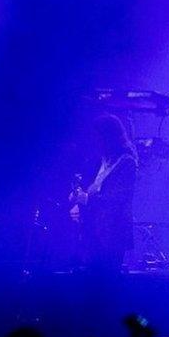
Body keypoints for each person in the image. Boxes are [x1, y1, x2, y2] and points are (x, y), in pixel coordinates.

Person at [70, 113, 138, 273]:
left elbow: (115, 199)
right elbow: (91, 188)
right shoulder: (101, 161)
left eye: (98, 137)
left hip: (112, 234)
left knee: (106, 282)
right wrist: (78, 198)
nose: (95, 142)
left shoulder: (126, 162)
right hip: (94, 231)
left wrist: (84, 199)